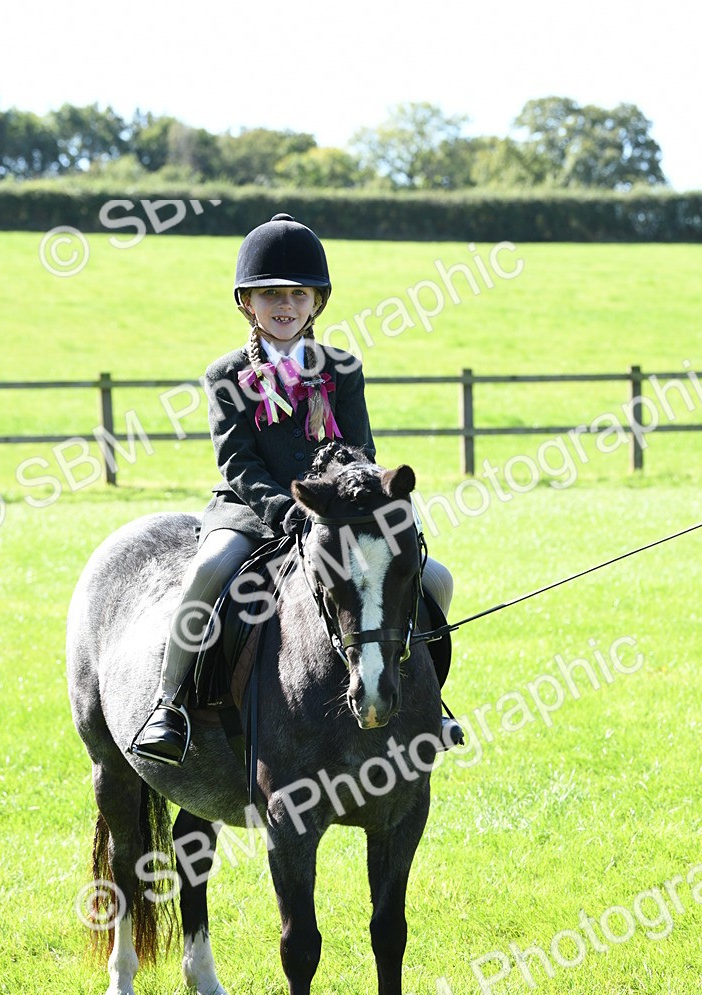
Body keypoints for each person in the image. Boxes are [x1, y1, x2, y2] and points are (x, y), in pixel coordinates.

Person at [131, 213, 459, 765]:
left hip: (338, 513)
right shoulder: (226, 374)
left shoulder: (343, 368)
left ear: (316, 303)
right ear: (247, 304)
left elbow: (361, 450)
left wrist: (352, 499)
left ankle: (432, 700)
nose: (285, 306)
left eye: (298, 295)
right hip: (251, 510)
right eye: (271, 295)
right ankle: (172, 704)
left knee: (434, 578)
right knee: (207, 572)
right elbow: (236, 458)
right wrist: (285, 509)